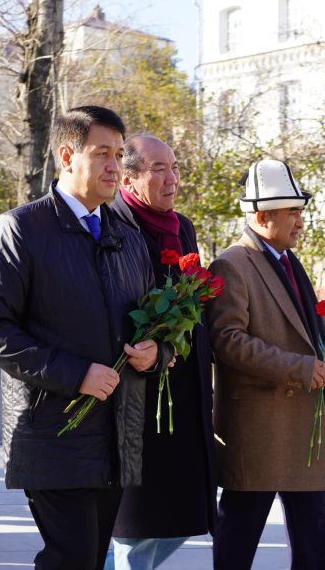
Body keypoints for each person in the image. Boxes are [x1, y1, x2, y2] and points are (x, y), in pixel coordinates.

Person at [0, 106, 163, 570]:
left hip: (118, 431)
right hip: (54, 430)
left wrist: (156, 353)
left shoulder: (127, 234)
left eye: (119, 155)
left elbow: (153, 321)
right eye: (103, 154)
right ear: (67, 156)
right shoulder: (21, 228)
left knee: (91, 557)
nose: (115, 167)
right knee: (71, 557)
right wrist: (75, 373)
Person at [207, 159, 325, 570]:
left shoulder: (288, 260)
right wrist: (297, 367)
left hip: (299, 424)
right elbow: (227, 340)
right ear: (262, 215)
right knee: (239, 536)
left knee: (315, 543)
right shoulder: (232, 263)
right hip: (259, 428)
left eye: (300, 211)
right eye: (293, 212)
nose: (301, 221)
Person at [106, 134, 216, 569]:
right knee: (133, 521)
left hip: (181, 385)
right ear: (129, 177)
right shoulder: (114, 225)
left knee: (182, 513)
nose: (172, 179)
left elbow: (192, 302)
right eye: (158, 169)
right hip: (135, 390)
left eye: (174, 167)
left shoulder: (181, 226)